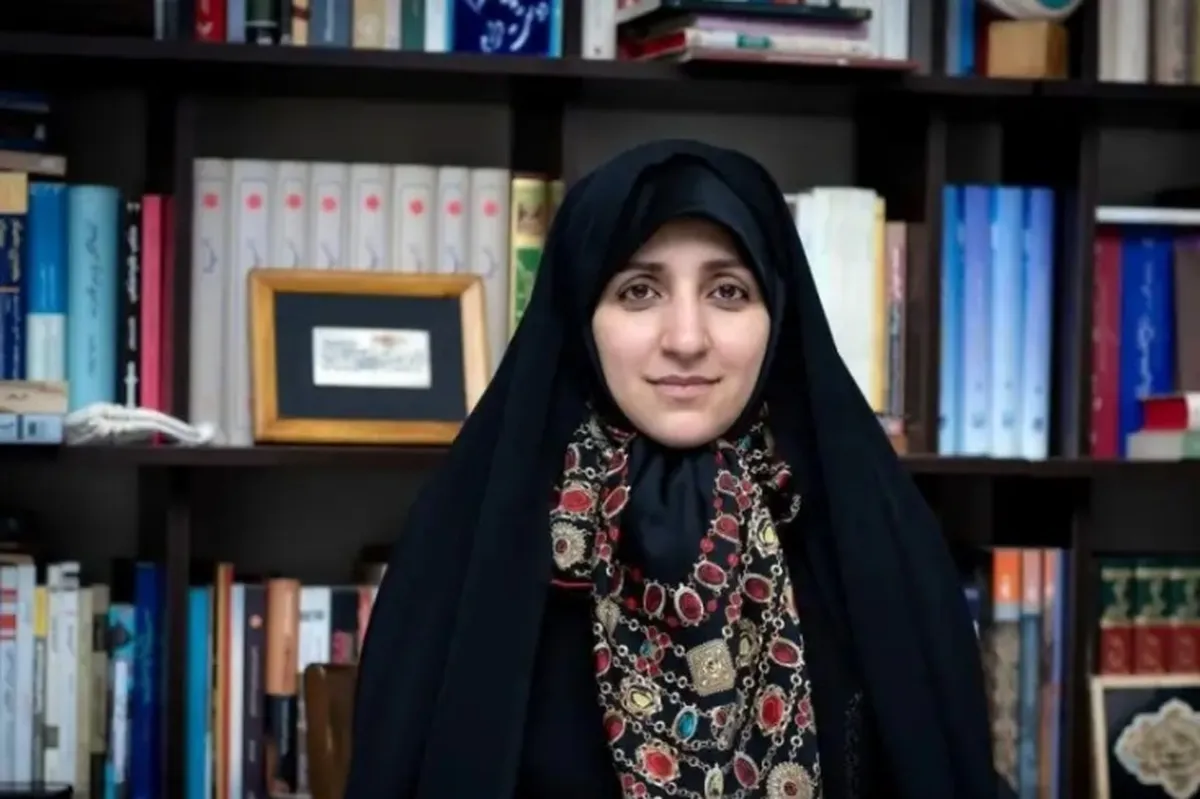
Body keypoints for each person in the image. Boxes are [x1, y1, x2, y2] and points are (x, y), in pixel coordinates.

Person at [344, 139, 1001, 799]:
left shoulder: (867, 535)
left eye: (727, 291)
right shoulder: (472, 545)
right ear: (581, 313)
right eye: (639, 291)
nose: (686, 339)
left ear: (778, 311)